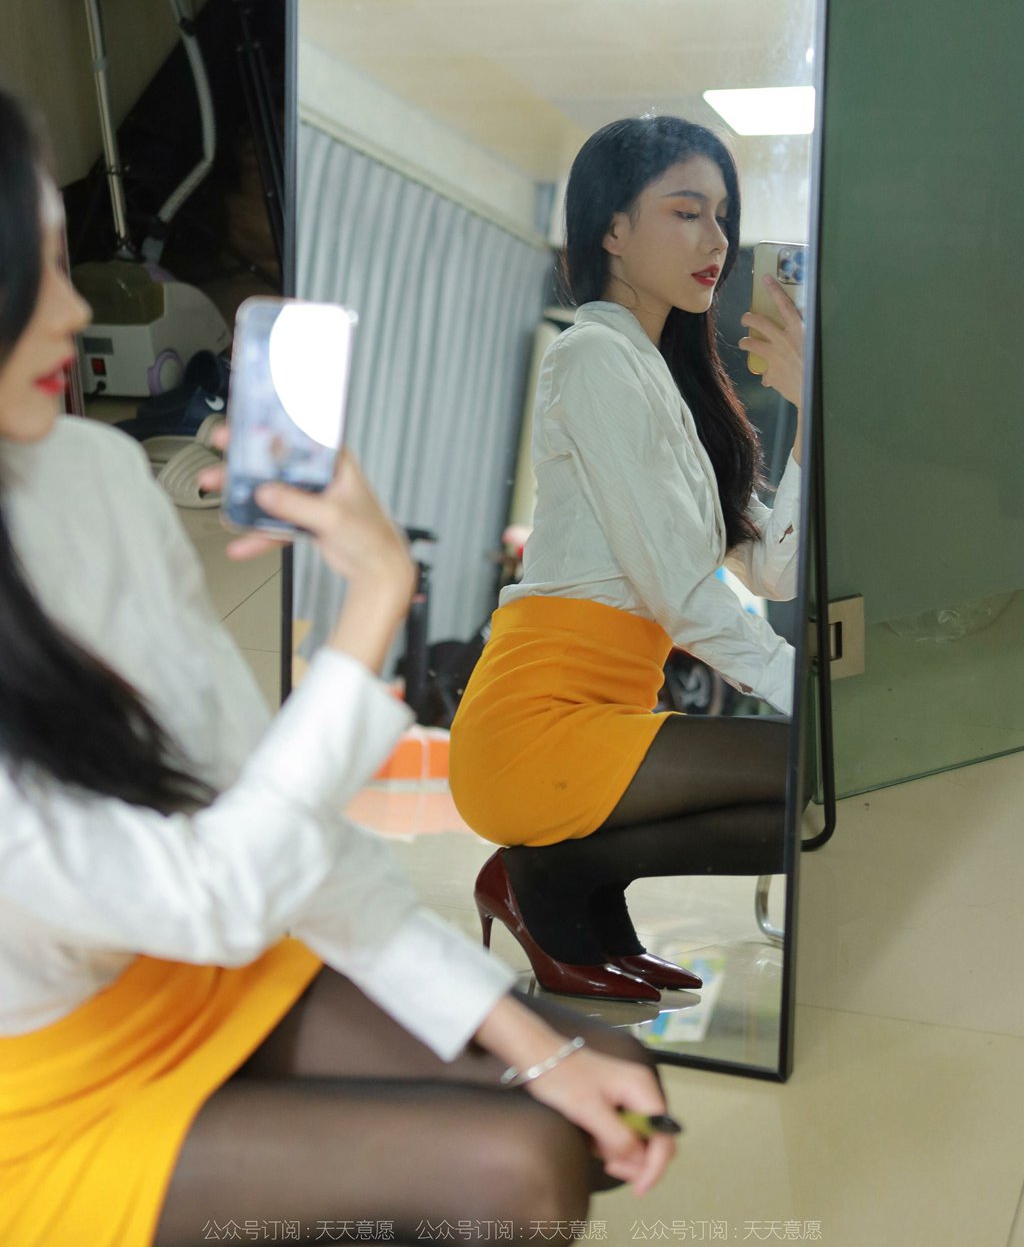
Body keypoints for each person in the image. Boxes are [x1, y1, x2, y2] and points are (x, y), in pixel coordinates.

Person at [0, 90, 676, 1247]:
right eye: (34, 273)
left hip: (204, 956)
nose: (74, 310)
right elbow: (213, 893)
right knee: (516, 1171)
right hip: (47, 1086)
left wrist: (533, 1043)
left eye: (66, 262)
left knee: (608, 1080)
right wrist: (372, 601)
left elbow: (258, 804)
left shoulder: (92, 477)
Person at [449, 115, 804, 1001]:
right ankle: (554, 877)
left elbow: (777, 571)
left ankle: (565, 884)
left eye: (723, 216)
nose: (717, 241)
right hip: (534, 726)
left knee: (819, 788)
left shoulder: (666, 382)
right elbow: (682, 592)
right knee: (818, 777)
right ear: (612, 229)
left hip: (602, 721)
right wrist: (809, 692)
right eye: (687, 212)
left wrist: (807, 404)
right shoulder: (594, 357)